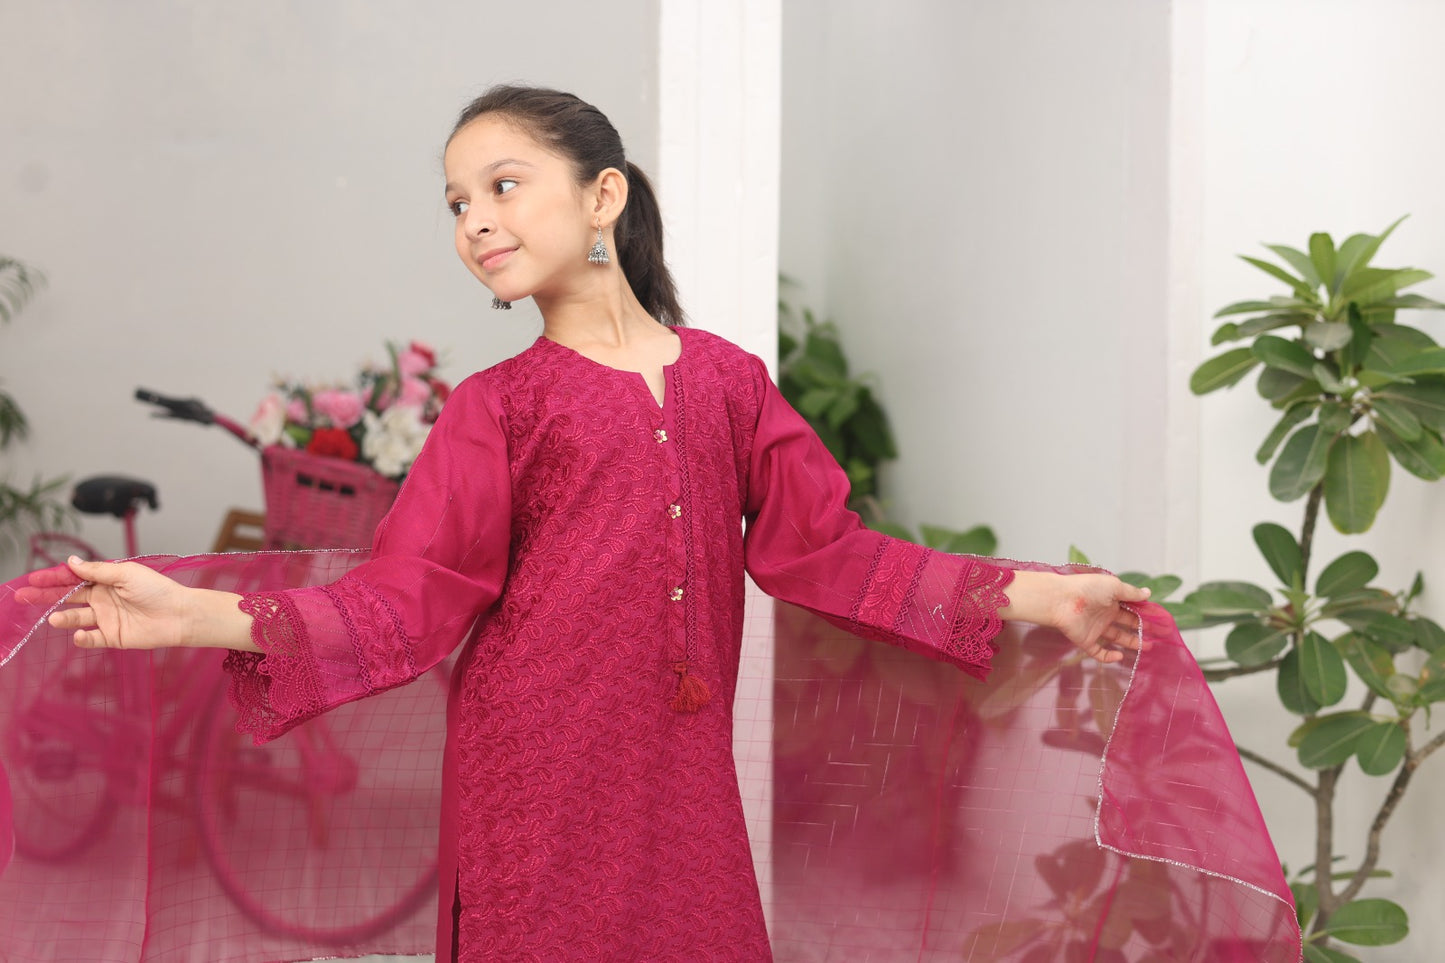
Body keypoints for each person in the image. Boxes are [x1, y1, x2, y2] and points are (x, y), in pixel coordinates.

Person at [21, 85, 1148, 961]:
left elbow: (824, 552)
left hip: (679, 781)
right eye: (457, 203)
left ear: (602, 194)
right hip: (534, 784)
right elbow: (405, 600)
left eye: (502, 186)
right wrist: (194, 617)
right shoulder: (496, 408)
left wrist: (1036, 596)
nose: (473, 221)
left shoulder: (728, 383)